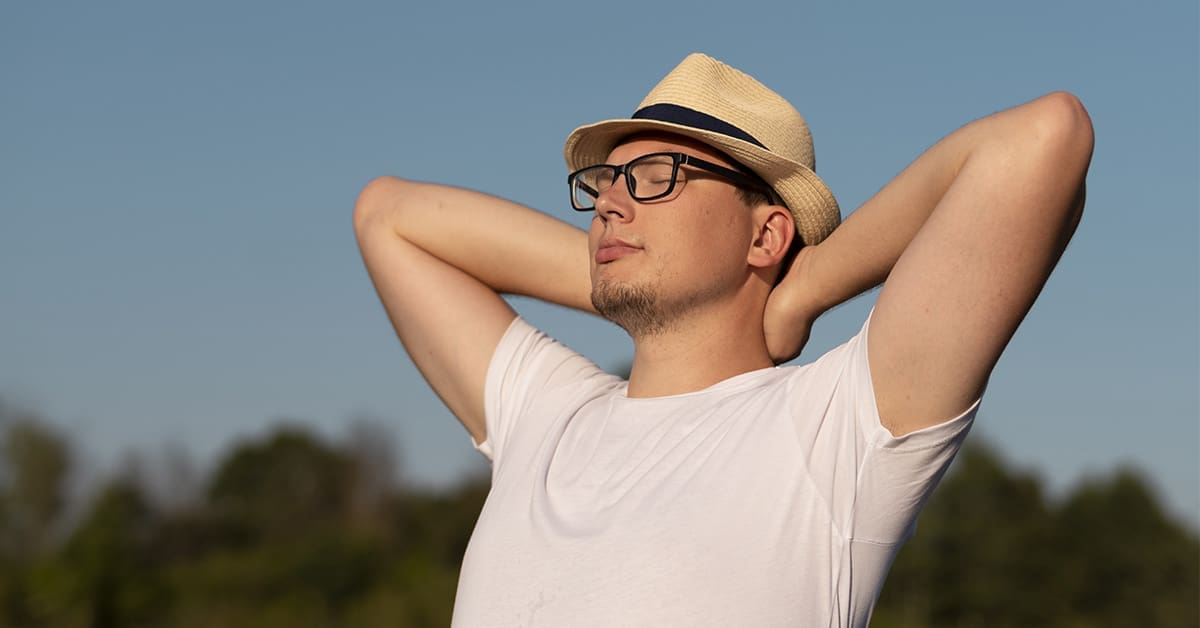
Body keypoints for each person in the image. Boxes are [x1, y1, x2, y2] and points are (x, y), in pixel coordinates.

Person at [354, 53, 1092, 627]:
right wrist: (637, 279)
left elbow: (1042, 139)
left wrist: (805, 285)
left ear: (767, 232)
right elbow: (387, 215)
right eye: (608, 180)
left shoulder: (832, 431)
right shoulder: (546, 415)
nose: (610, 201)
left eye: (655, 175)